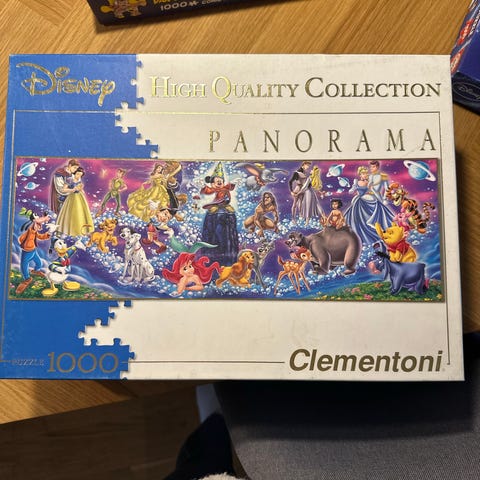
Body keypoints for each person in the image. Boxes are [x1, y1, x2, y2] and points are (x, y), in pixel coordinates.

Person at [344, 165, 394, 245]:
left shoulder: (369, 182)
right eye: (364, 173)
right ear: (360, 174)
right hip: (360, 201)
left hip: (369, 199)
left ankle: (382, 231)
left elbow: (374, 190)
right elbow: (351, 190)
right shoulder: (357, 182)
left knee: (378, 210)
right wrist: (353, 188)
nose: (366, 175)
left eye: (366, 173)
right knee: (358, 217)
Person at [56, 167, 94, 237]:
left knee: (81, 213)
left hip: (79, 197)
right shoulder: (69, 180)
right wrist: (73, 189)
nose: (79, 176)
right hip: (71, 198)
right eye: (78, 174)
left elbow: (80, 189)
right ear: (74, 173)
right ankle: (66, 230)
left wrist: (82, 190)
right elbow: (63, 189)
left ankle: (82, 230)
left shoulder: (79, 180)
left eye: (80, 175)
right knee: (69, 213)